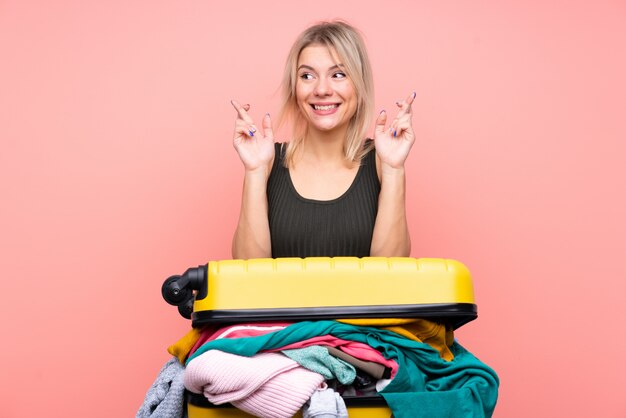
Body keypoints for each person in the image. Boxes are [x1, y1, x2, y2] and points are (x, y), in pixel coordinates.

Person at [231, 20, 415, 259]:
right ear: (295, 89)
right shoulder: (267, 163)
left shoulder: (382, 163)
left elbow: (392, 275)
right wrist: (254, 171)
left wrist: (394, 169)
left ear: (359, 85)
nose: (321, 89)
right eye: (307, 76)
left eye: (338, 74)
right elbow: (248, 276)